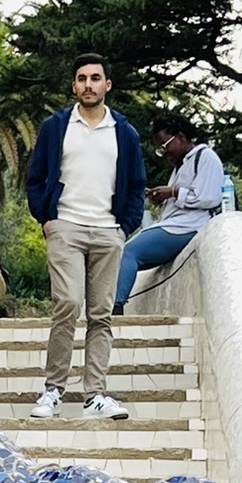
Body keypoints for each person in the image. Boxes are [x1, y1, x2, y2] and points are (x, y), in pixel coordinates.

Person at [25, 53, 146, 422]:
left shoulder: (124, 132)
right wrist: (46, 218)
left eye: (95, 78)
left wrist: (125, 227)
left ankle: (95, 394)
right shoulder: (56, 127)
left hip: (109, 231)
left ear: (107, 84)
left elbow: (137, 185)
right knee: (67, 304)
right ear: (74, 85)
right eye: (82, 78)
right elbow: (35, 178)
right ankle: (53, 390)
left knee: (101, 315)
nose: (88, 85)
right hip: (66, 227)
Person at [113, 115, 226, 312]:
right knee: (122, 258)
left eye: (164, 146)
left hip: (189, 226)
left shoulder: (205, 157)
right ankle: (112, 303)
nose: (164, 153)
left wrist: (172, 192)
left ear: (181, 137)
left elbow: (208, 198)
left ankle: (115, 307)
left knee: (128, 253)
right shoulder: (181, 166)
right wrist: (164, 197)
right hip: (176, 225)